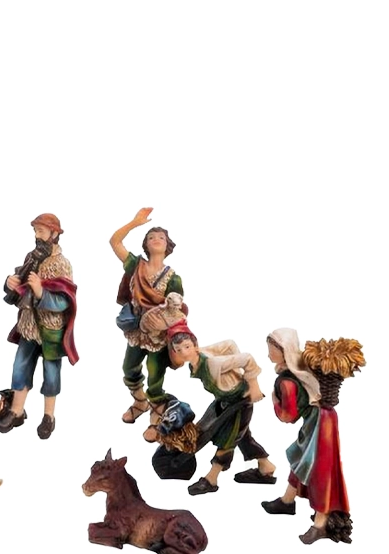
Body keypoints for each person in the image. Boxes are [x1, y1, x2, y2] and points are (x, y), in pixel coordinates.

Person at [261, 328, 352, 544]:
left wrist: (275, 402)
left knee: (320, 471)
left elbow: (288, 416)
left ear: (284, 351)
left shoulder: (287, 382)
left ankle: (321, 523)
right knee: (301, 459)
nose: (268, 354)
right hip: (320, 420)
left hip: (322, 426)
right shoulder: (297, 372)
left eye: (272, 349)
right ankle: (287, 501)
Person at [0, 213, 79, 440]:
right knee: (20, 367)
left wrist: (41, 292)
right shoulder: (31, 257)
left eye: (41, 231)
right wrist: (10, 283)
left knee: (51, 374)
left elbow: (65, 301)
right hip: (28, 326)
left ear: (54, 233)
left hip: (51, 328)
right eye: (35, 231)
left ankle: (49, 416)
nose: (37, 236)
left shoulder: (62, 264)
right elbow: (20, 285)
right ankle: (16, 410)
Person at [166, 325, 277, 495]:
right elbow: (229, 344)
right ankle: (266, 467)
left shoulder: (212, 364)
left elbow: (247, 358)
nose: (184, 352)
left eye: (187, 347)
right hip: (225, 401)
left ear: (195, 345)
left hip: (240, 402)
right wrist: (235, 372)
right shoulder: (198, 360)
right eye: (178, 349)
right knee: (243, 437)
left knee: (227, 439)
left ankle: (211, 479)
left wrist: (253, 386)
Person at [109, 207, 184, 434]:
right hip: (136, 329)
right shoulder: (136, 265)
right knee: (129, 368)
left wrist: (166, 317)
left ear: (168, 245)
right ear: (146, 244)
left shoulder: (173, 277)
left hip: (158, 335)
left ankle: (156, 411)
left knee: (155, 375)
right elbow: (115, 242)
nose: (156, 239)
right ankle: (140, 402)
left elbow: (178, 309)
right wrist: (134, 223)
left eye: (161, 237)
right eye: (151, 237)